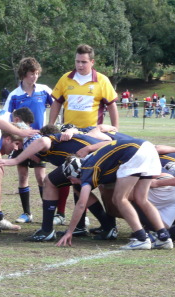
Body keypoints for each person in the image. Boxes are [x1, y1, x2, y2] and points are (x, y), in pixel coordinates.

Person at [56, 139, 173, 250]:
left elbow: (81, 204)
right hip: (148, 148)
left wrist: (70, 231)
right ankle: (164, 237)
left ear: (76, 171)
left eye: (71, 178)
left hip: (134, 152)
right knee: (141, 199)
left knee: (119, 199)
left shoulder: (87, 168)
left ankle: (141, 237)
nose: (72, 182)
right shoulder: (91, 160)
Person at [48, 44, 119, 226]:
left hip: (93, 138)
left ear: (92, 62)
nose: (80, 65)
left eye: (84, 62)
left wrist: (115, 128)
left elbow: (111, 105)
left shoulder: (102, 80)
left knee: (95, 179)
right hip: (69, 137)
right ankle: (81, 223)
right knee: (74, 176)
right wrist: (51, 125)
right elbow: (56, 102)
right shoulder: (66, 79)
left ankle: (106, 222)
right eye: (77, 61)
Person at [3, 57, 53, 224]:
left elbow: (58, 106)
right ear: (24, 74)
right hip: (20, 142)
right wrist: (20, 134)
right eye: (32, 73)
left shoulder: (44, 90)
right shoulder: (14, 95)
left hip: (39, 142)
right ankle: (27, 213)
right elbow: (6, 119)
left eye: (37, 73)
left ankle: (47, 213)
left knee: (41, 177)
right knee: (23, 176)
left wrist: (52, 128)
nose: (35, 77)